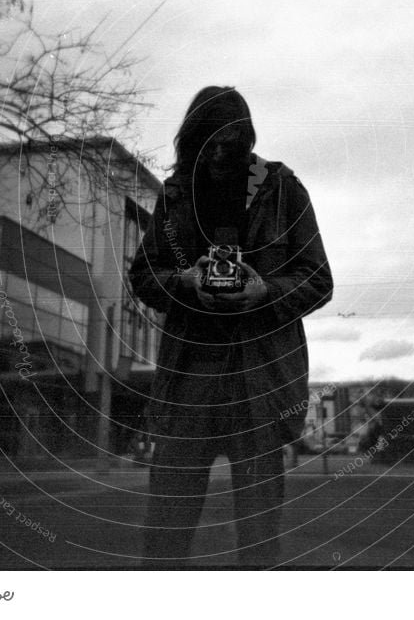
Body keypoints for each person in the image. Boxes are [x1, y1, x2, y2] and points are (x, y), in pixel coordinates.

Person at [129, 86, 333, 568]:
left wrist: (264, 291)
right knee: (164, 536)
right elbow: (142, 274)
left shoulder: (283, 188)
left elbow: (319, 280)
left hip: (257, 381)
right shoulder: (176, 194)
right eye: (208, 143)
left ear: (247, 141)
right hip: (189, 380)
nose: (219, 154)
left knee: (259, 543)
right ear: (192, 141)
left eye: (230, 145)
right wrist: (183, 281)